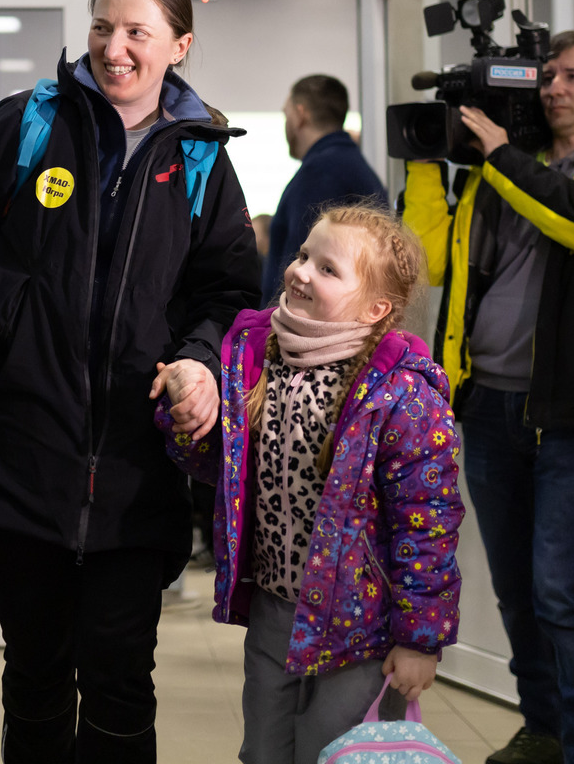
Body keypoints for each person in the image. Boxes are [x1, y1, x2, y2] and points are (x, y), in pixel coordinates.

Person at [0, 0, 261, 763]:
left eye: (137, 32)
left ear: (179, 45)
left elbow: (227, 297)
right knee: (34, 676)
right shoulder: (28, 126)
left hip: (139, 470)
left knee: (118, 677)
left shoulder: (204, 160)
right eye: (104, 27)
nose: (115, 48)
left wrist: (201, 365)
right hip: (24, 462)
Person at [403, 30, 574, 764]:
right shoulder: (501, 170)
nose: (555, 87)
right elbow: (427, 260)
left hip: (571, 410)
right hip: (488, 404)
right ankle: (546, 729)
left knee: (563, 591)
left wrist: (499, 157)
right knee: (520, 594)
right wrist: (429, 167)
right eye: (548, 75)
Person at [157, 203, 462, 764]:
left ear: (375, 309)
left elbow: (430, 526)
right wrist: (185, 412)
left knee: (335, 750)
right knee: (264, 750)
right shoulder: (254, 358)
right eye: (303, 256)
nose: (300, 271)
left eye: (328, 269)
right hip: (276, 609)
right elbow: (218, 467)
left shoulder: (403, 395)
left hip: (362, 625)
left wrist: (420, 639)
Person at [263, 75, 388, 303]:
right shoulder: (346, 164)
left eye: (286, 113)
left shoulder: (323, 171)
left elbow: (301, 269)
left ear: (301, 114)